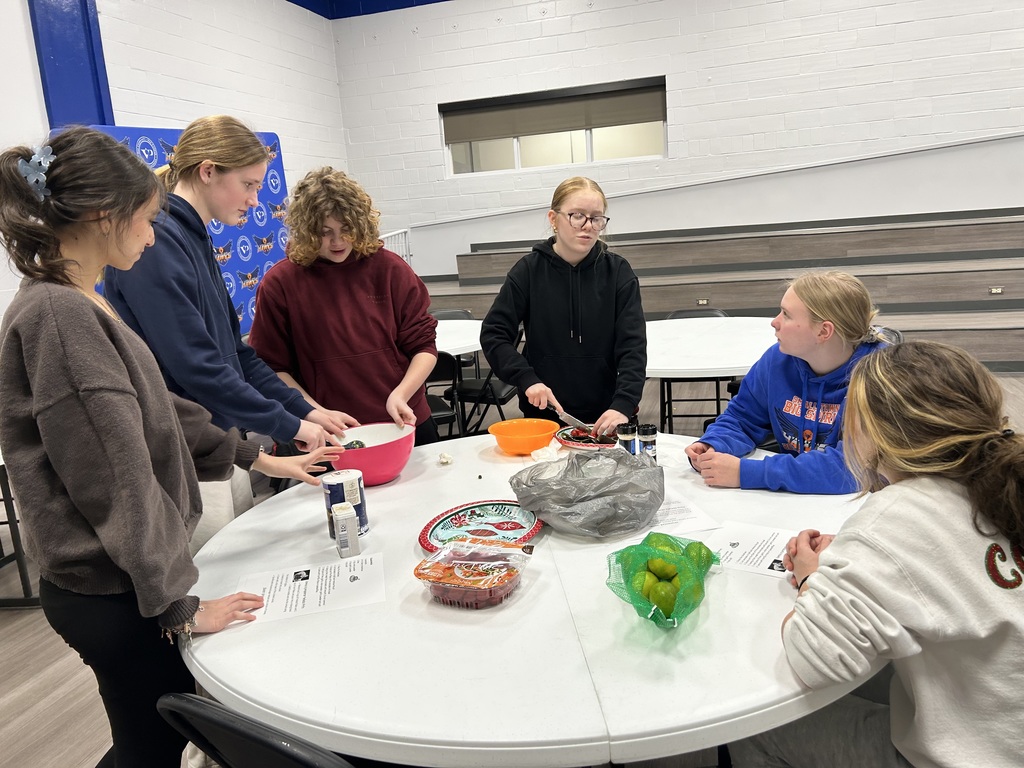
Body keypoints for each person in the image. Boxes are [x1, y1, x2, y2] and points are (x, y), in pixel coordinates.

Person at [0, 127, 341, 768]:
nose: (153, 236)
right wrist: (178, 606)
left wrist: (256, 455)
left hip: (114, 583)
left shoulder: (77, 301)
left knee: (149, 736)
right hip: (108, 590)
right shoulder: (59, 316)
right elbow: (115, 477)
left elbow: (159, 409)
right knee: (158, 737)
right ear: (105, 217)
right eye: (147, 220)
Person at [728, 341, 1024, 767]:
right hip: (1003, 721)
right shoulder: (1000, 479)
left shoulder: (900, 513)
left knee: (758, 728)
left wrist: (814, 575)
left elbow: (816, 658)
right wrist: (870, 557)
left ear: (877, 432)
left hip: (973, 753)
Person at [102, 115, 353, 451]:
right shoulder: (157, 240)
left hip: (217, 435)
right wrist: (286, 424)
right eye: (248, 185)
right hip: (181, 443)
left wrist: (305, 410)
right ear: (208, 172)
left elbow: (236, 355)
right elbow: (196, 366)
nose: (253, 201)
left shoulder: (192, 234)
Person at [247, 167, 440, 446]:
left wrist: (401, 394)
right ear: (307, 231)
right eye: (325, 233)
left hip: (402, 420)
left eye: (346, 229)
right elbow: (272, 366)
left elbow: (424, 346)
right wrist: (314, 411)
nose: (337, 242)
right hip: (330, 430)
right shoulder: (281, 283)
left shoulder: (389, 269)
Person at [684, 270, 884, 494]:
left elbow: (854, 469)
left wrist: (747, 473)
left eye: (786, 315)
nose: (774, 322)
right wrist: (714, 444)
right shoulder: (778, 360)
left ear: (823, 331)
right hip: (796, 500)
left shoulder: (880, 377)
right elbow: (743, 418)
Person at [480, 176, 647, 436]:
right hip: (543, 415)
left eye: (596, 218)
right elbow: (494, 334)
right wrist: (526, 379)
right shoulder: (528, 271)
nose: (588, 226)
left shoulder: (618, 273)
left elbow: (632, 346)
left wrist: (624, 404)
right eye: (577, 215)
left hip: (606, 415)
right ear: (553, 218)